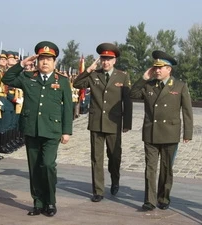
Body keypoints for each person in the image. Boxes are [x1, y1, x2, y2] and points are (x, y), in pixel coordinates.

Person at [2, 41, 73, 217]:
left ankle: (50, 201)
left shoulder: (62, 81)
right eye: (41, 59)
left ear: (54, 62)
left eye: (49, 59)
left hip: (52, 130)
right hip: (31, 129)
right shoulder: (28, 77)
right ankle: (38, 203)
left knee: (48, 165)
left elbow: (68, 108)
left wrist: (66, 131)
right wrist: (22, 64)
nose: (45, 63)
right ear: (37, 60)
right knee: (34, 167)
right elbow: (7, 79)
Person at [130, 50, 193, 211]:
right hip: (151, 132)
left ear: (169, 69)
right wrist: (144, 78)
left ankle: (163, 197)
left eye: (161, 67)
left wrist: (187, 133)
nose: (157, 70)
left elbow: (187, 111)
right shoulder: (149, 85)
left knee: (166, 169)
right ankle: (149, 201)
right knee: (150, 168)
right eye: (155, 67)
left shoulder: (179, 86)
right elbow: (132, 94)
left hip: (169, 133)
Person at [73, 43, 133, 202]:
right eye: (103, 59)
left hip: (114, 123)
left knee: (114, 156)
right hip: (96, 122)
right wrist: (88, 70)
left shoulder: (123, 76)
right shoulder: (94, 75)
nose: (106, 62)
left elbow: (127, 101)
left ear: (115, 60)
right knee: (96, 157)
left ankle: (115, 179)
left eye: (109, 59)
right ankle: (98, 190)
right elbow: (77, 84)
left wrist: (127, 122)